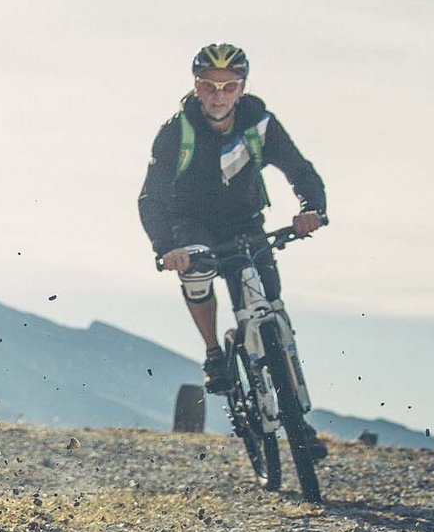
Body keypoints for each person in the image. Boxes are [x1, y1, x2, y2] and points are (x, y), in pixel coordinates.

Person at [137, 43, 327, 393]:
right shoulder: (176, 133)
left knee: (270, 300)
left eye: (228, 87)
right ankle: (213, 353)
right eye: (209, 85)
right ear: (196, 87)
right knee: (196, 273)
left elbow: (300, 170)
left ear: (242, 89)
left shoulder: (261, 125)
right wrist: (166, 246)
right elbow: (151, 198)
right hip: (191, 223)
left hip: (246, 222)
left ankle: (292, 400)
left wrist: (311, 209)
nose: (218, 96)